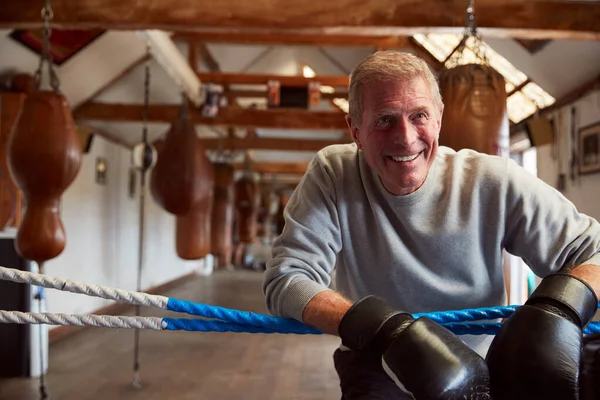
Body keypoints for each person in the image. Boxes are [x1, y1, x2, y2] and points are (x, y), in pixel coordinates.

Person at [262, 50, 600, 400]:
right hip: (378, 365)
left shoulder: (492, 181)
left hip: (479, 363)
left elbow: (595, 251)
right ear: (356, 131)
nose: (406, 138)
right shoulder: (334, 173)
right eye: (384, 120)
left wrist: (561, 307)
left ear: (439, 118)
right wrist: (385, 329)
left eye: (419, 115)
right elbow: (286, 280)